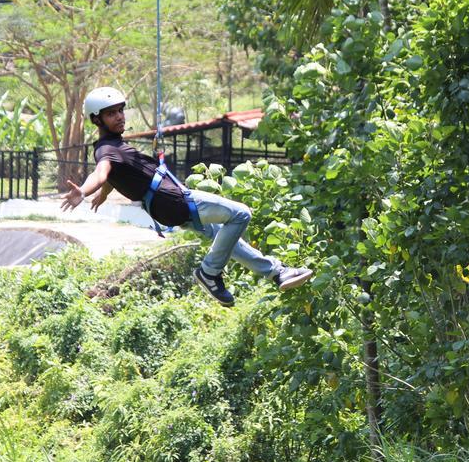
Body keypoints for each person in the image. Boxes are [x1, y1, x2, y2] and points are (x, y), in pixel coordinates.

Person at [60, 87, 313, 307]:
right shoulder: (107, 150)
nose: (119, 117)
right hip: (174, 201)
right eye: (111, 113)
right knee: (240, 214)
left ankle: (277, 273)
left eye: (120, 111)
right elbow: (102, 171)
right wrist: (84, 190)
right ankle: (209, 273)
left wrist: (103, 194)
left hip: (167, 207)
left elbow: (113, 174)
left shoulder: (115, 147)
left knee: (225, 238)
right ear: (97, 120)